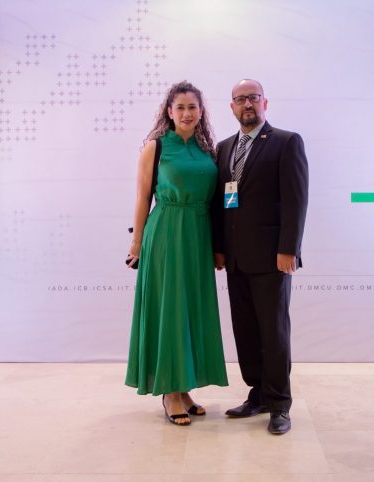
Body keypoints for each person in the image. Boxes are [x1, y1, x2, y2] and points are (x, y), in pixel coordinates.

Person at [125, 80, 228, 425]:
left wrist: (218, 246)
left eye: (192, 107)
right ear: (169, 112)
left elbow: (219, 201)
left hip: (198, 235)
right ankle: (169, 392)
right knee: (170, 309)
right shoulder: (155, 147)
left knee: (191, 309)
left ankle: (184, 388)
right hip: (167, 232)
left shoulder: (207, 151)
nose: (186, 113)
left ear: (201, 112)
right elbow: (142, 198)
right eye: (180, 107)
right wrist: (136, 243)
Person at [212, 79, 308, 435]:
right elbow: (221, 204)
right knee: (246, 331)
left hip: (272, 257)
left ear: (265, 102)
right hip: (235, 259)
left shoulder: (286, 141)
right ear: (232, 107)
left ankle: (279, 404)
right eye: (240, 99)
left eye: (253, 98)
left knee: (274, 332)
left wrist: (289, 249)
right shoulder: (224, 148)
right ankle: (258, 394)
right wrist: (219, 247)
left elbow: (296, 200)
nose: (247, 104)